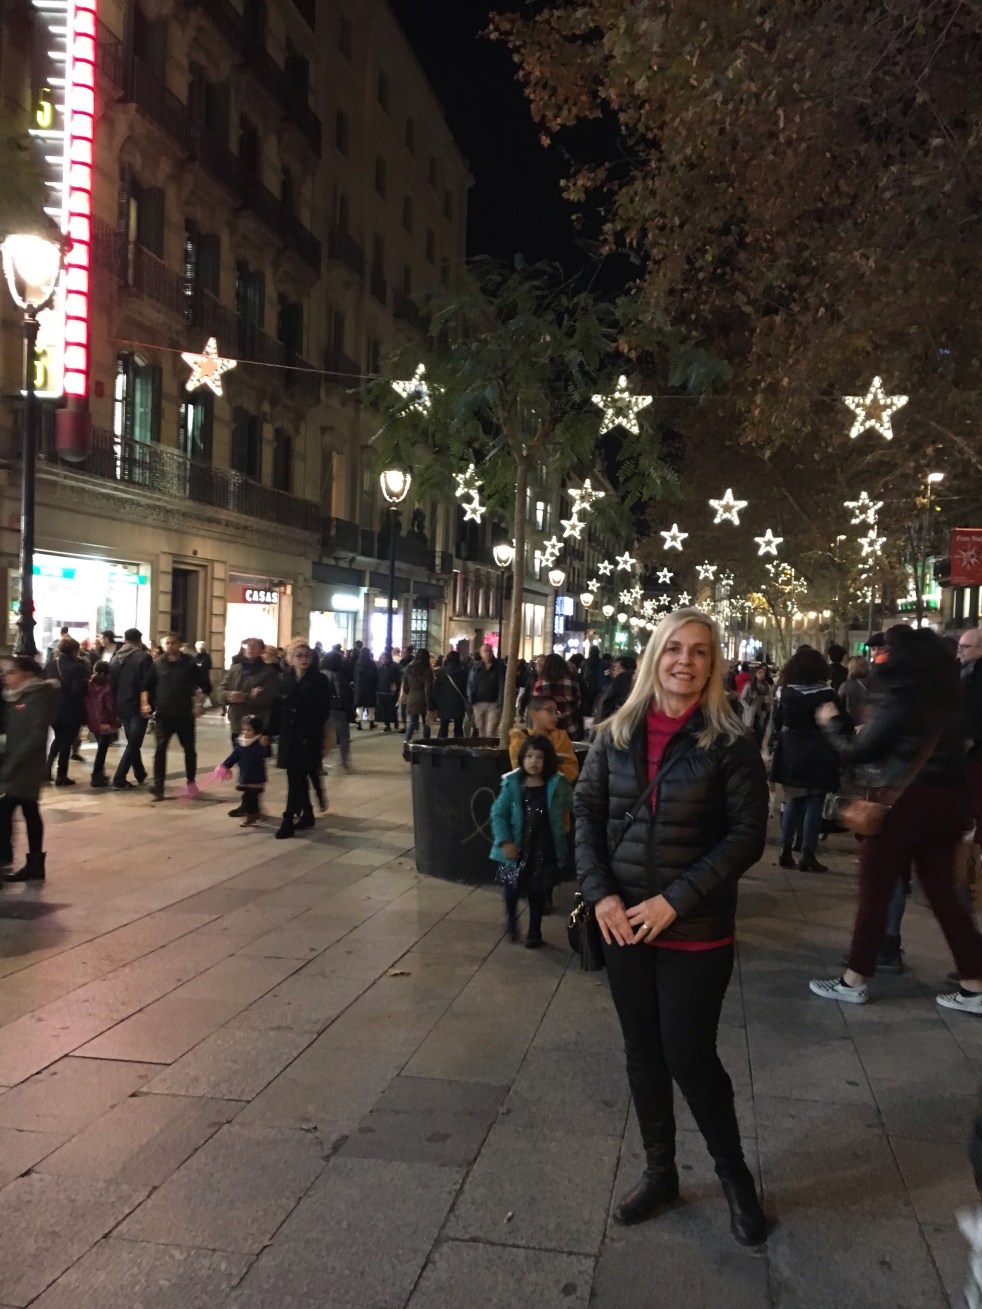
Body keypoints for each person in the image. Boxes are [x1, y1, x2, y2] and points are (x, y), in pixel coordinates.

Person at [575, 607, 768, 1244]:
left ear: (713, 665)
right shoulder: (615, 732)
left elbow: (746, 837)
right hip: (623, 923)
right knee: (642, 1052)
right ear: (654, 656)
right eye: (674, 648)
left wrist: (674, 902)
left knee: (690, 1054)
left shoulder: (730, 742)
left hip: (695, 927)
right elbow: (586, 812)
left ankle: (733, 1175)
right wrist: (601, 894)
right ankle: (661, 1173)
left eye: (699, 651)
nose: (685, 661)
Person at [809, 626, 982, 1013]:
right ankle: (975, 982)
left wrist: (832, 722)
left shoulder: (902, 696)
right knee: (944, 895)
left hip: (904, 807)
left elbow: (860, 750)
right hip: (948, 803)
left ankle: (854, 978)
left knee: (875, 891)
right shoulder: (950, 698)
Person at [490, 734, 573, 947]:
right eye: (528, 756)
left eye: (539, 757)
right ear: (522, 758)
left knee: (538, 892)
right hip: (514, 849)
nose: (533, 761)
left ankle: (535, 932)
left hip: (542, 849)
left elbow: (574, 804)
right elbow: (498, 813)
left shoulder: (556, 784)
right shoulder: (512, 783)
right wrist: (505, 841)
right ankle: (511, 920)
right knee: (510, 888)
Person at [769, 646, 839, 872]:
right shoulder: (828, 693)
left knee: (792, 800)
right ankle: (808, 854)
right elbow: (840, 722)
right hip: (819, 749)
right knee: (815, 803)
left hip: (791, 749)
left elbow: (777, 721)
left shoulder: (785, 692)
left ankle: (785, 850)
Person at [268, 638, 332, 838]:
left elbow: (323, 710)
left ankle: (288, 819)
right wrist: (268, 732)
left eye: (307, 656)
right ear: (290, 658)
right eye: (299, 656)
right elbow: (277, 707)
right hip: (289, 736)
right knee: (297, 777)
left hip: (308, 737)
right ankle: (308, 813)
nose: (304, 659)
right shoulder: (285, 679)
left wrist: (311, 732)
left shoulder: (319, 680)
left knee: (296, 777)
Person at [0, 656, 56, 883]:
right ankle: (34, 865)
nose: (6, 677)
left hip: (26, 766)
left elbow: (37, 733)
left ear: (27, 674)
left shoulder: (36, 696)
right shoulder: (16, 697)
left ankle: (12, 861)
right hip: (17, 764)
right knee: (28, 811)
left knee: (7, 811)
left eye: (11, 672)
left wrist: (14, 759)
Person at [141, 633, 210, 801]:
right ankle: (158, 785)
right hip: (163, 715)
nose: (170, 646)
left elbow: (206, 685)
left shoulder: (190, 664)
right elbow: (146, 686)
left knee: (189, 750)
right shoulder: (158, 664)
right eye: (167, 643)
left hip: (184, 714)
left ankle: (191, 782)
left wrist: (199, 704)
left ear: (179, 644)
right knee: (160, 749)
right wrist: (145, 704)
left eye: (173, 643)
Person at [109, 629, 153, 789]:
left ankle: (139, 772)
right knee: (134, 742)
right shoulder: (144, 657)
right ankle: (119, 778)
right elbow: (146, 684)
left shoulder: (116, 657)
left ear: (125, 639)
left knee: (132, 740)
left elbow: (112, 683)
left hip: (121, 704)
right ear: (139, 640)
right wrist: (148, 704)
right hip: (137, 705)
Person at [43, 637, 88, 787]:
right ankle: (61, 775)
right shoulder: (77, 667)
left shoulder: (50, 664)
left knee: (58, 738)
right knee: (66, 742)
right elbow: (78, 692)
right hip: (70, 709)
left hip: (53, 708)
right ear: (75, 651)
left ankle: (46, 770)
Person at [221, 636, 280, 749]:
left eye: (255, 645)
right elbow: (221, 689)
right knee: (238, 755)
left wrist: (245, 697)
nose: (250, 648)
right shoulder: (235, 669)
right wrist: (228, 696)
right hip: (237, 722)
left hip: (257, 724)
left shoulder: (269, 672)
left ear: (261, 651)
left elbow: (269, 697)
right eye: (248, 645)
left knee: (255, 756)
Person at [508, 695, 579, 784]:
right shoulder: (520, 739)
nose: (555, 716)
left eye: (556, 712)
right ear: (534, 714)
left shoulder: (561, 738)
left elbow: (573, 771)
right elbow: (518, 770)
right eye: (549, 711)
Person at [214, 714, 268, 826]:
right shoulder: (240, 742)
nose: (246, 732)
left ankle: (251, 816)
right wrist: (225, 766)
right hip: (245, 775)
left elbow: (266, 754)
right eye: (244, 729)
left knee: (250, 797)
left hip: (256, 775)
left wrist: (265, 745)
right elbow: (234, 756)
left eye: (249, 730)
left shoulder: (259, 742)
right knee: (250, 796)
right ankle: (256, 813)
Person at [84, 661, 119, 788]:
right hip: (106, 722)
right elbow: (110, 707)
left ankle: (100, 774)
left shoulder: (89, 684)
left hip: (93, 720)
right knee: (102, 750)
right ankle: (96, 776)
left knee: (100, 747)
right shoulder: (107, 687)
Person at [533, 652, 581, 736]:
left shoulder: (540, 683)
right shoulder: (572, 681)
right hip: (568, 727)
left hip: (547, 730)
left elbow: (535, 705)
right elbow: (577, 702)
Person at [320, 650, 354, 770]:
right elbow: (341, 693)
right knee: (343, 736)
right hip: (336, 708)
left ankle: (319, 762)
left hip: (323, 708)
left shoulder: (320, 673)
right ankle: (344, 761)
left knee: (324, 736)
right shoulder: (337, 675)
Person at [467, 643, 505, 738]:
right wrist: (470, 699)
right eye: (485, 651)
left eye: (490, 651)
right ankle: (483, 746)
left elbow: (502, 684)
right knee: (481, 730)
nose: (488, 653)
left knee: (490, 731)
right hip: (478, 703)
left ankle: (490, 746)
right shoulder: (475, 667)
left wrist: (501, 700)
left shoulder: (499, 667)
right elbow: (470, 684)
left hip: (494, 703)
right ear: (481, 653)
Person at [433, 650, 470, 737]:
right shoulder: (464, 672)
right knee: (458, 727)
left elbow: (436, 688)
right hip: (459, 702)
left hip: (444, 702)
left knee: (443, 726)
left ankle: (442, 743)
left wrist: (434, 703)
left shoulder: (441, 672)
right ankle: (458, 743)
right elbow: (467, 687)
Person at [402, 647, 434, 742]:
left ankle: (406, 741)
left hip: (411, 697)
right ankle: (426, 742)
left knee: (412, 723)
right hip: (423, 698)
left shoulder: (408, 669)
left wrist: (410, 693)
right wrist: (430, 705)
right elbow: (428, 689)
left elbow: (405, 686)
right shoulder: (427, 670)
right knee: (426, 723)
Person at [595, 654, 636, 723]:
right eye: (613, 668)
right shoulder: (611, 685)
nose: (614, 671)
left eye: (619, 668)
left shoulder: (626, 689)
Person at [739, 665, 772, 745]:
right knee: (749, 730)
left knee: (760, 730)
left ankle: (757, 746)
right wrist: (747, 707)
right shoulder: (749, 685)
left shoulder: (766, 686)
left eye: (763, 673)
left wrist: (768, 707)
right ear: (755, 674)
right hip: (751, 711)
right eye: (759, 673)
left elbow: (770, 699)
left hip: (761, 712)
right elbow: (742, 698)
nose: (761, 675)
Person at [838, 655, 871, 726]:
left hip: (851, 724)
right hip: (870, 724)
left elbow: (838, 704)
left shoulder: (846, 686)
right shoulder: (874, 684)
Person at [375, 652, 402, 732]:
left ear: (388, 659)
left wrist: (393, 690)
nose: (383, 660)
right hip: (382, 692)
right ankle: (387, 725)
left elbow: (395, 681)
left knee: (392, 709)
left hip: (390, 693)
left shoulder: (393, 669)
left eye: (384, 658)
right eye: (382, 658)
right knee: (384, 710)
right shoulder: (380, 669)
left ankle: (395, 721)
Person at [353, 647, 378, 729]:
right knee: (371, 706)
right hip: (370, 687)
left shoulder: (357, 664)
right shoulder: (371, 664)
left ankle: (359, 722)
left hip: (359, 688)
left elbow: (354, 676)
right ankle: (371, 722)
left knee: (359, 705)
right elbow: (375, 676)